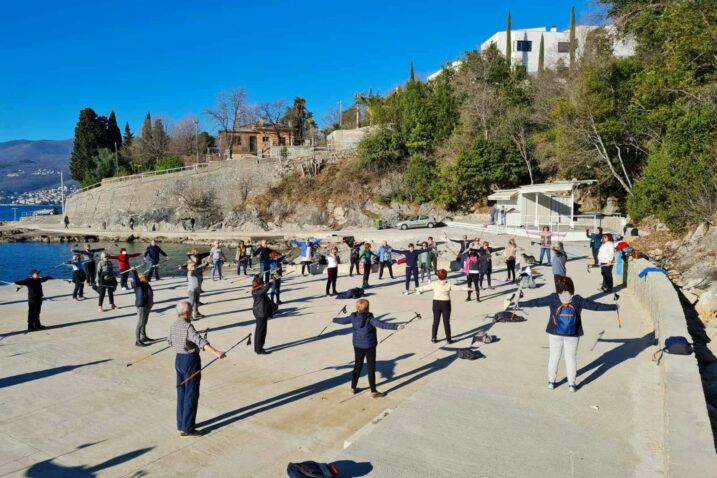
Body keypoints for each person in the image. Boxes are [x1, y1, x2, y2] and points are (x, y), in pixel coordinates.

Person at [516, 276, 618, 392]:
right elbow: (596, 306)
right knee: (570, 359)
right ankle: (571, 385)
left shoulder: (553, 298)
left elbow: (536, 302)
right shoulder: (577, 300)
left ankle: (551, 382)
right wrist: (613, 307)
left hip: (555, 332)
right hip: (573, 333)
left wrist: (520, 304)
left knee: (554, 357)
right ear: (571, 287)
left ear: (558, 287)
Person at [168, 301, 225, 437]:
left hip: (178, 360)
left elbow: (169, 341)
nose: (193, 310)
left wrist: (181, 345)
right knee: (191, 394)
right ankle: (188, 428)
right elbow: (200, 342)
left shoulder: (174, 324)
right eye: (191, 309)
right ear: (186, 312)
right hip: (190, 361)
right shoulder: (188, 326)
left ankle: (181, 423)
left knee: (181, 392)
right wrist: (216, 352)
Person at [332, 299, 404, 398]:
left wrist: (334, 319)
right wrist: (396, 326)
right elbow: (382, 324)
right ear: (368, 308)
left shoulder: (353, 317)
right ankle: (373, 391)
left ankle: (353, 387)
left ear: (356, 308)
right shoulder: (370, 319)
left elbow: (343, 321)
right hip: (370, 346)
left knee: (358, 365)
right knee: (371, 367)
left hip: (357, 345)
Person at [416, 269, 471, 343]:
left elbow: (425, 288)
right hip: (446, 304)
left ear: (438, 276)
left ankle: (433, 338)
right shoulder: (448, 284)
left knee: (435, 321)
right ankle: (448, 339)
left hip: (436, 303)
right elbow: (459, 288)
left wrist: (417, 289)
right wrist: (469, 289)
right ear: (446, 276)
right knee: (446, 322)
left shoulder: (434, 284)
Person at [252, 275, 276, 355]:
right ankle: (258, 349)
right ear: (259, 284)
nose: (263, 284)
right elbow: (264, 290)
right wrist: (270, 283)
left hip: (261, 313)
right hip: (260, 313)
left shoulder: (257, 289)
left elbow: (264, 291)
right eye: (262, 283)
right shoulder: (257, 292)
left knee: (261, 331)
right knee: (260, 332)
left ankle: (259, 347)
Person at [130, 269, 154, 347]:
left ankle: (143, 337)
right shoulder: (138, 285)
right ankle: (137, 340)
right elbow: (136, 280)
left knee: (144, 322)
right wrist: (134, 272)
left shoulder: (146, 284)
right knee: (140, 323)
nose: (147, 278)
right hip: (142, 306)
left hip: (147, 306)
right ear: (141, 278)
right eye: (145, 277)